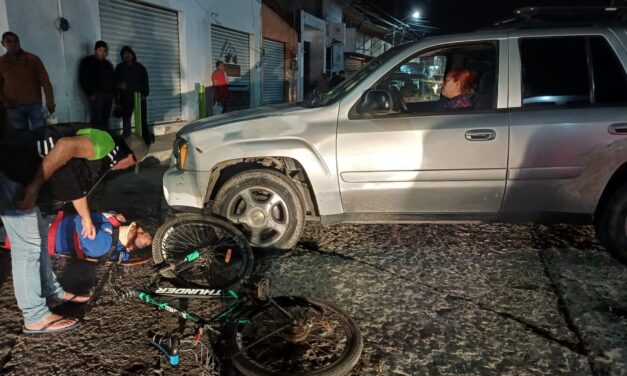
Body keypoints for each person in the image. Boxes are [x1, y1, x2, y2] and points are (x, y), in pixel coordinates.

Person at [0, 124, 147, 333]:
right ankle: (34, 316)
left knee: (39, 238)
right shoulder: (107, 143)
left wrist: (85, 216)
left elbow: (73, 177)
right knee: (27, 246)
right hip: (13, 171)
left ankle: (52, 292)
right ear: (131, 156)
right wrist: (34, 185)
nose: (124, 168)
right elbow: (65, 146)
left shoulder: (105, 150)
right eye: (130, 165)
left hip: (20, 170)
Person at [2, 211, 152, 262]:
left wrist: (107, 217)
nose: (140, 229)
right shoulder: (112, 236)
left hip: (44, 232)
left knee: (8, 229)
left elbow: (81, 218)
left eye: (138, 231)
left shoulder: (103, 244)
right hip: (52, 224)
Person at [0, 31, 55, 130]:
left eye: (15, 41)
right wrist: (4, 101)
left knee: (41, 132)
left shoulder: (32, 59)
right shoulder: (1, 63)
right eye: (8, 42)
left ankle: (41, 146)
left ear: (19, 42)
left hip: (34, 104)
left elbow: (45, 81)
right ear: (3, 44)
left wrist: (50, 102)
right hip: (13, 106)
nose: (13, 44)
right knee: (21, 136)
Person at [115, 46, 153, 144]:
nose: (127, 55)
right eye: (125, 54)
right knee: (126, 120)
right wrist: (117, 101)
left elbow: (145, 82)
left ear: (133, 54)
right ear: (122, 56)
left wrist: (145, 94)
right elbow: (116, 85)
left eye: (129, 53)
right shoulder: (119, 68)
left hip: (140, 98)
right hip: (125, 99)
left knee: (142, 120)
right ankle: (127, 142)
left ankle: (145, 139)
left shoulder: (140, 67)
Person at [79, 41, 115, 130]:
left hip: (108, 95)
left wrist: (113, 94)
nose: (102, 53)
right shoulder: (87, 62)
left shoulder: (108, 64)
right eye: (100, 50)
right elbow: (83, 79)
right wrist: (89, 93)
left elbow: (113, 79)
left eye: (104, 51)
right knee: (96, 119)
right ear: (95, 50)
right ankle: (95, 141)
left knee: (105, 118)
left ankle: (105, 140)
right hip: (96, 95)